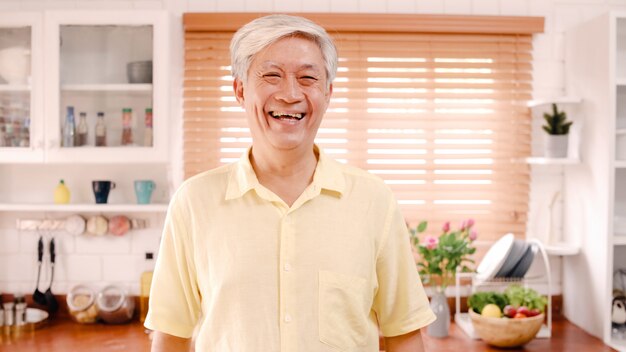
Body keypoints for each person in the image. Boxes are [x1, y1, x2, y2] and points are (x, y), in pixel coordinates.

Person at [145, 14, 435, 352]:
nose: (290, 93)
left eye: (307, 77)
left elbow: (403, 334)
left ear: (328, 92)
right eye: (271, 75)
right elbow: (171, 335)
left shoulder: (374, 200)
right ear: (240, 90)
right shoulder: (194, 202)